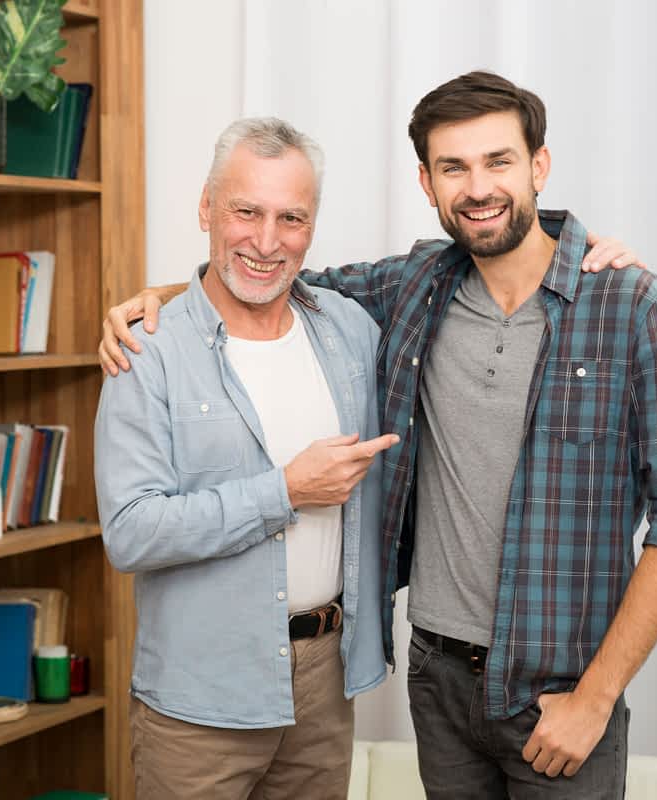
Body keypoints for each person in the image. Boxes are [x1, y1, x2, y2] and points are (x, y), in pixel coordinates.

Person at [101, 70, 657, 799]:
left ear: (539, 166)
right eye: (454, 167)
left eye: (499, 161)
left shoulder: (632, 304)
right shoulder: (414, 286)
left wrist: (596, 698)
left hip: (562, 693)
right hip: (439, 681)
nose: (478, 186)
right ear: (426, 182)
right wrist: (160, 300)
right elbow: (268, 274)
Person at [94, 117, 400, 800]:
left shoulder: (351, 331)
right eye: (246, 211)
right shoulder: (149, 349)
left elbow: (467, 268)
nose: (266, 241)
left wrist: (581, 245)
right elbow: (131, 531)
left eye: (290, 217)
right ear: (207, 208)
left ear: (313, 225)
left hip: (326, 685)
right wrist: (284, 492)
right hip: (200, 697)